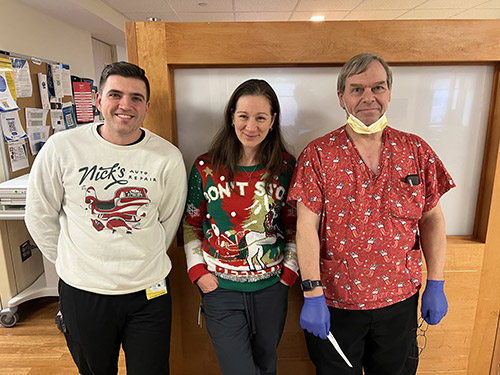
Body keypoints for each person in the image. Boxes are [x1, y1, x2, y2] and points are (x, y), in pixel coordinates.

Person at [287, 53, 456, 374]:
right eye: (356, 89)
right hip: (336, 301)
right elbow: (306, 227)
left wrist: (436, 283)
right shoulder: (319, 155)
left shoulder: (415, 150)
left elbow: (431, 217)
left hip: (400, 300)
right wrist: (312, 293)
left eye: (377, 87)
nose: (368, 97)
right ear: (341, 97)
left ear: (389, 93)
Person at [25, 61, 187, 375]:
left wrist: (143, 255)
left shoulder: (167, 157)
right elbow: (39, 213)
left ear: (147, 107)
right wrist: (71, 261)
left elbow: (167, 220)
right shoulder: (62, 148)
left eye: (136, 98)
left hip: (149, 292)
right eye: (115, 94)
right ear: (99, 100)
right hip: (84, 292)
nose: (125, 105)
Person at [183, 79, 298, 375]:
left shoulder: (285, 167)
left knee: (266, 364)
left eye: (261, 117)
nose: (251, 126)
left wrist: (288, 274)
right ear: (231, 116)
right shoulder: (205, 167)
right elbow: (191, 223)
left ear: (273, 121)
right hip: (220, 290)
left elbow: (295, 225)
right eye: (243, 116)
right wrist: (198, 272)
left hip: (271, 289)